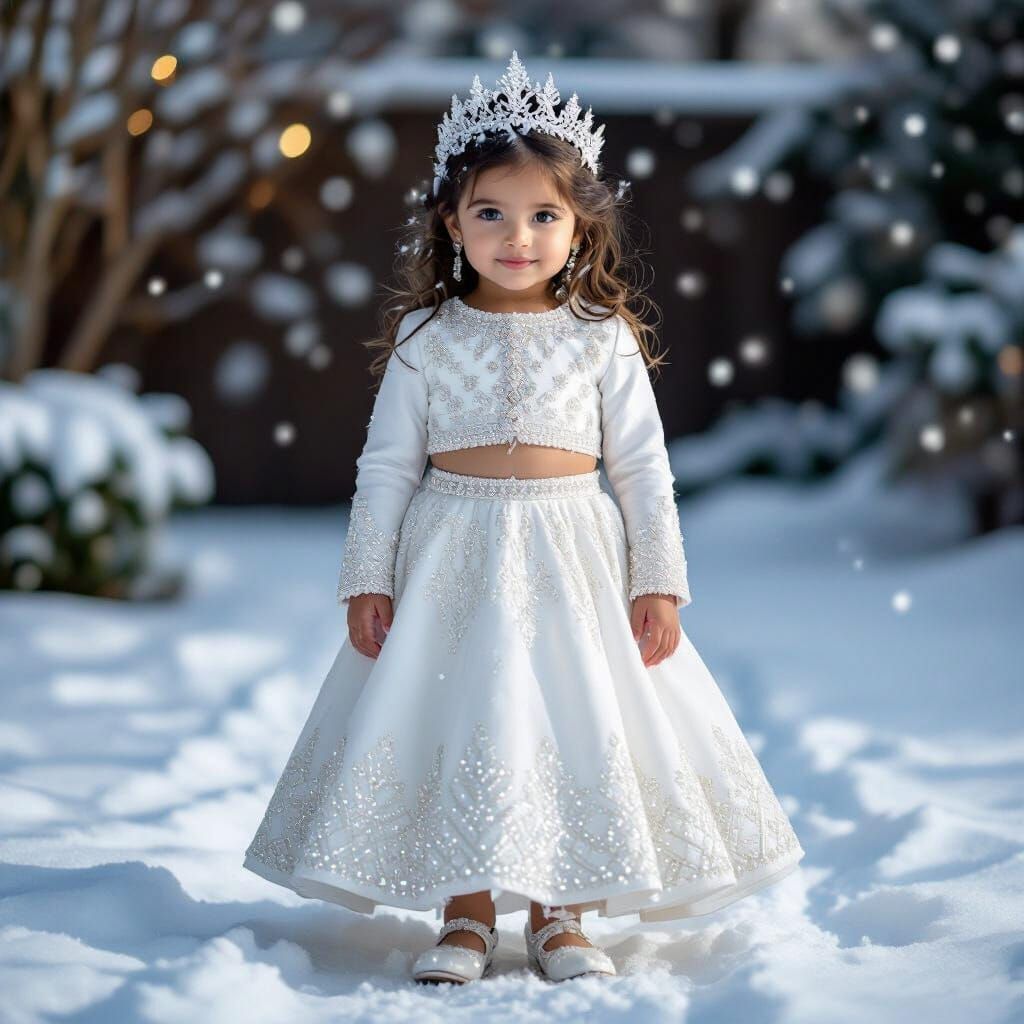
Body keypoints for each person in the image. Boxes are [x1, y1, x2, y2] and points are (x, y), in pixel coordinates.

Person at [243, 51, 805, 985]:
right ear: (450, 221)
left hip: (573, 557)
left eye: (544, 215)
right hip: (452, 557)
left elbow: (642, 468)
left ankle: (562, 911)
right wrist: (368, 577)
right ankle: (463, 914)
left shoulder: (601, 336)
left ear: (579, 224)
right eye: (491, 214)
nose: (517, 236)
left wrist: (659, 579)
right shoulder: (427, 338)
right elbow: (384, 468)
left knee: (567, 720)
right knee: (461, 717)